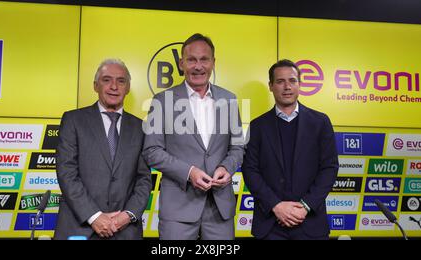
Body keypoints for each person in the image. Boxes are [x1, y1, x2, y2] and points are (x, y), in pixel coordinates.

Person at [142, 33, 244, 240]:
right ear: (181, 64)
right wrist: (189, 172)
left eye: (204, 59)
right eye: (191, 60)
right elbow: (151, 151)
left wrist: (226, 167)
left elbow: (238, 147)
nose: (198, 66)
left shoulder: (229, 99)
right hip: (178, 209)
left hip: (220, 210)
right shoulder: (162, 100)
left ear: (213, 63)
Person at [54, 59, 151, 240]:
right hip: (79, 227)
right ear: (95, 85)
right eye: (106, 80)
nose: (114, 86)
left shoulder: (141, 127)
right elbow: (66, 172)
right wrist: (94, 216)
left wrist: (127, 215)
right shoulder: (73, 120)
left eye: (121, 81)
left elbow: (144, 179)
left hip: (125, 230)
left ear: (128, 87)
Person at [242, 59, 339, 240]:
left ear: (299, 84)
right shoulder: (257, 126)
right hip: (270, 226)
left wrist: (305, 206)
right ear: (271, 86)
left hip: (310, 224)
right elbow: (250, 170)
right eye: (280, 81)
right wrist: (276, 206)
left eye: (292, 81)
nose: (287, 86)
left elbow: (329, 168)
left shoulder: (320, 122)